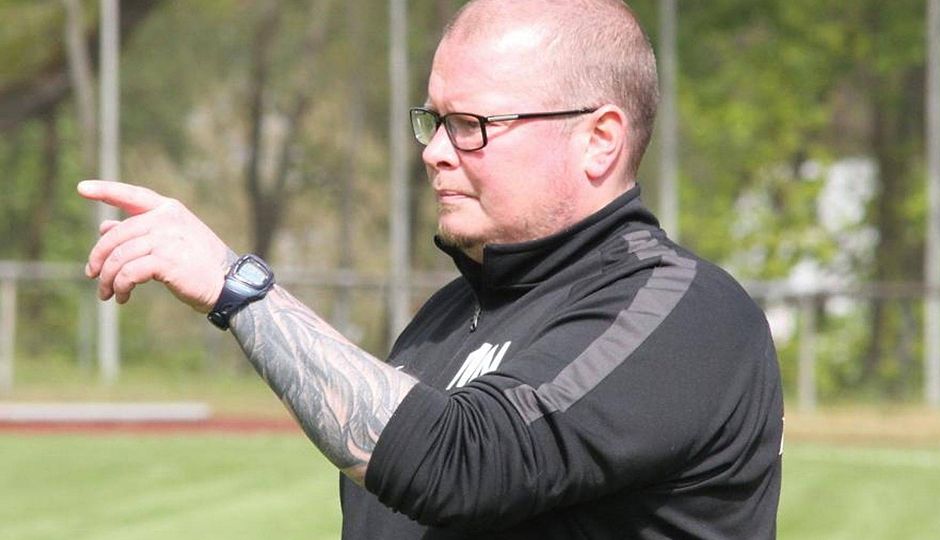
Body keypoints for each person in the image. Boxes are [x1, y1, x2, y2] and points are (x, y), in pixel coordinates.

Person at [79, 0, 784, 537]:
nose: (436, 152)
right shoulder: (444, 317)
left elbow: (464, 462)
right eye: (434, 121)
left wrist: (239, 289)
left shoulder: (685, 313)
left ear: (599, 140)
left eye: (473, 125)